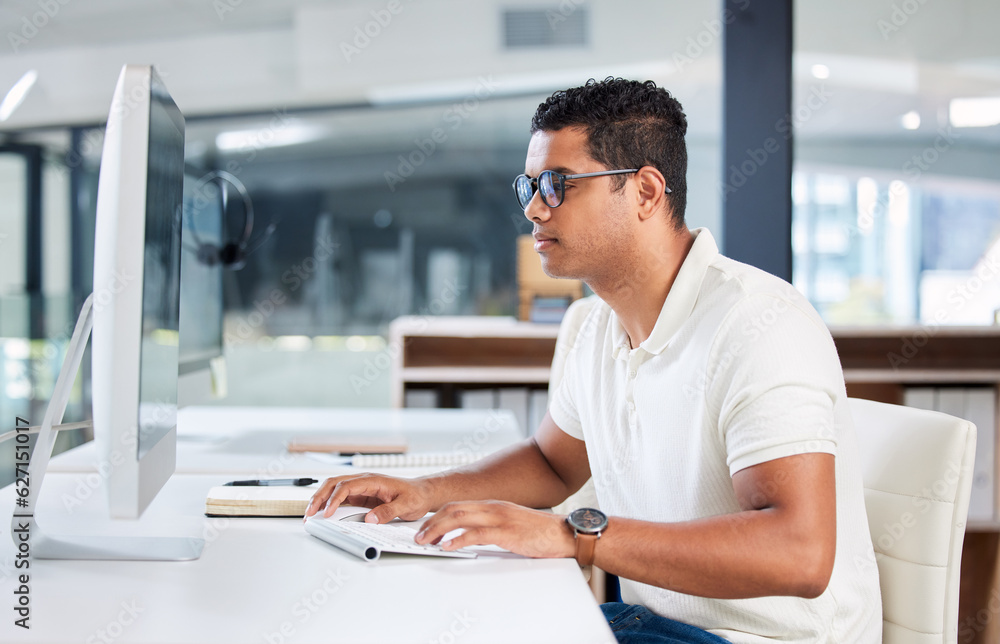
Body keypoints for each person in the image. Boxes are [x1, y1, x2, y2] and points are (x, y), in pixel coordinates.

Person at [304, 77, 881, 643]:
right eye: (528, 185)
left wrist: (574, 535)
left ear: (646, 193)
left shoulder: (759, 324)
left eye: (557, 184)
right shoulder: (593, 324)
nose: (533, 209)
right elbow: (552, 465)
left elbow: (799, 553)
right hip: (650, 625)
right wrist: (424, 492)